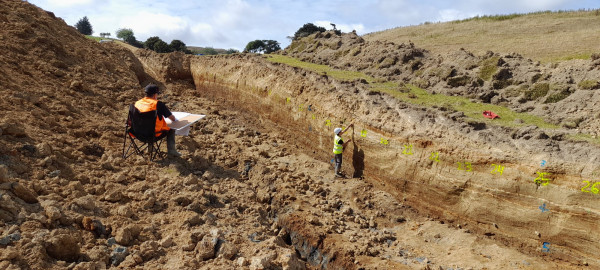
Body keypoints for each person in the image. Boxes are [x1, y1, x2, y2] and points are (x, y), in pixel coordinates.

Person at [134, 84, 181, 157]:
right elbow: (171, 118)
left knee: (148, 124)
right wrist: (175, 119)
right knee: (171, 129)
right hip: (153, 134)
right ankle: (172, 150)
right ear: (154, 95)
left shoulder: (137, 103)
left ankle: (150, 148)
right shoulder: (158, 104)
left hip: (137, 133)